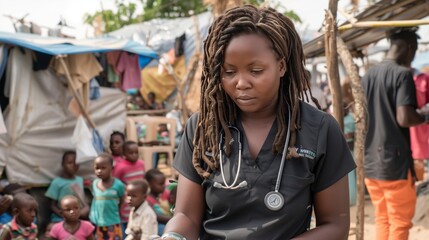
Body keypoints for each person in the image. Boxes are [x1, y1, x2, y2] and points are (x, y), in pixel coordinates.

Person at [160, 5, 356, 240]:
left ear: (281, 66)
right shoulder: (203, 129)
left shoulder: (320, 130)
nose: (241, 83)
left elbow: (335, 226)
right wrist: (173, 236)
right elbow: (186, 216)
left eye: (255, 70)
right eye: (229, 72)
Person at [362, 27, 428, 240]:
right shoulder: (402, 75)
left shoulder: (368, 75)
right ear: (410, 48)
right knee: (399, 222)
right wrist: (425, 114)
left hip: (370, 162)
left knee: (383, 218)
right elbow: (404, 118)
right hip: (394, 164)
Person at [45, 151, 88, 222]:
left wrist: (82, 211)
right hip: (62, 216)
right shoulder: (57, 182)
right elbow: (52, 205)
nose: (73, 165)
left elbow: (82, 199)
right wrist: (63, 215)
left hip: (78, 215)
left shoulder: (79, 180)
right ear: (63, 164)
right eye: (70, 163)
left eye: (76, 163)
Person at [90, 153, 125, 240]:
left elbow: (122, 199)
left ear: (111, 169)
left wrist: (117, 211)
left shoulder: (118, 185)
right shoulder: (95, 184)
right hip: (98, 223)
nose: (99, 171)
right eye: (97, 168)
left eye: (103, 168)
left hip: (113, 222)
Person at [113, 141, 146, 229]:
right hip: (126, 199)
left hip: (139, 198)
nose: (134, 155)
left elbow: (143, 179)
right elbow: (115, 182)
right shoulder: (120, 167)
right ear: (124, 154)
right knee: (127, 219)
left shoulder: (141, 164)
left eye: (136, 152)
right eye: (131, 153)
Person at [409, 68, 429, 181]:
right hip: (405, 129)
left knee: (419, 160)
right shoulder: (397, 77)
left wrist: (422, 111)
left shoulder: (423, 78)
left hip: (421, 127)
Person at [145, 169, 171, 235]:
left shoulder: (165, 193)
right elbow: (155, 216)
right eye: (160, 184)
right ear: (149, 184)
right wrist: (172, 220)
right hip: (156, 226)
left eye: (164, 183)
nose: (163, 186)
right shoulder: (147, 199)